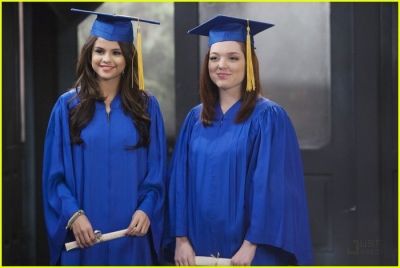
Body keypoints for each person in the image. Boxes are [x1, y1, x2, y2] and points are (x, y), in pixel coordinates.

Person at [166, 15, 313, 265]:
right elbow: (179, 181)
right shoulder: (195, 118)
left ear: (249, 63)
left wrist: (251, 245)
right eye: (214, 58)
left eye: (233, 57)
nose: (221, 65)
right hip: (196, 248)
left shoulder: (269, 118)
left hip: (249, 251)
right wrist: (181, 240)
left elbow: (271, 187)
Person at [42, 9, 166, 265]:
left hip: (132, 237)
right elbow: (55, 175)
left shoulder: (147, 107)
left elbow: (158, 171)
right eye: (99, 51)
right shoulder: (67, 106)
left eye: (116, 52)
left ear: (128, 58)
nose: (106, 59)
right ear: (89, 54)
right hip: (83, 239)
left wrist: (147, 209)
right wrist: (74, 216)